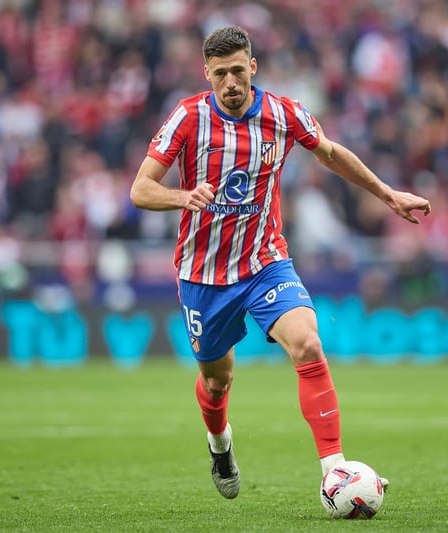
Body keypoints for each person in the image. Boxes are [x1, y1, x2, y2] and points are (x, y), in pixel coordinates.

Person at [130, 26, 431, 500]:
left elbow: (330, 153)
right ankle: (219, 443)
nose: (230, 82)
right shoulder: (188, 117)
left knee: (308, 343)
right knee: (216, 381)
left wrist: (386, 193)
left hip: (265, 260)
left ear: (253, 67)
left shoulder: (284, 113)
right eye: (220, 74)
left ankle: (334, 470)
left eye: (237, 70)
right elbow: (140, 189)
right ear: (207, 74)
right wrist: (182, 196)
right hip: (204, 274)